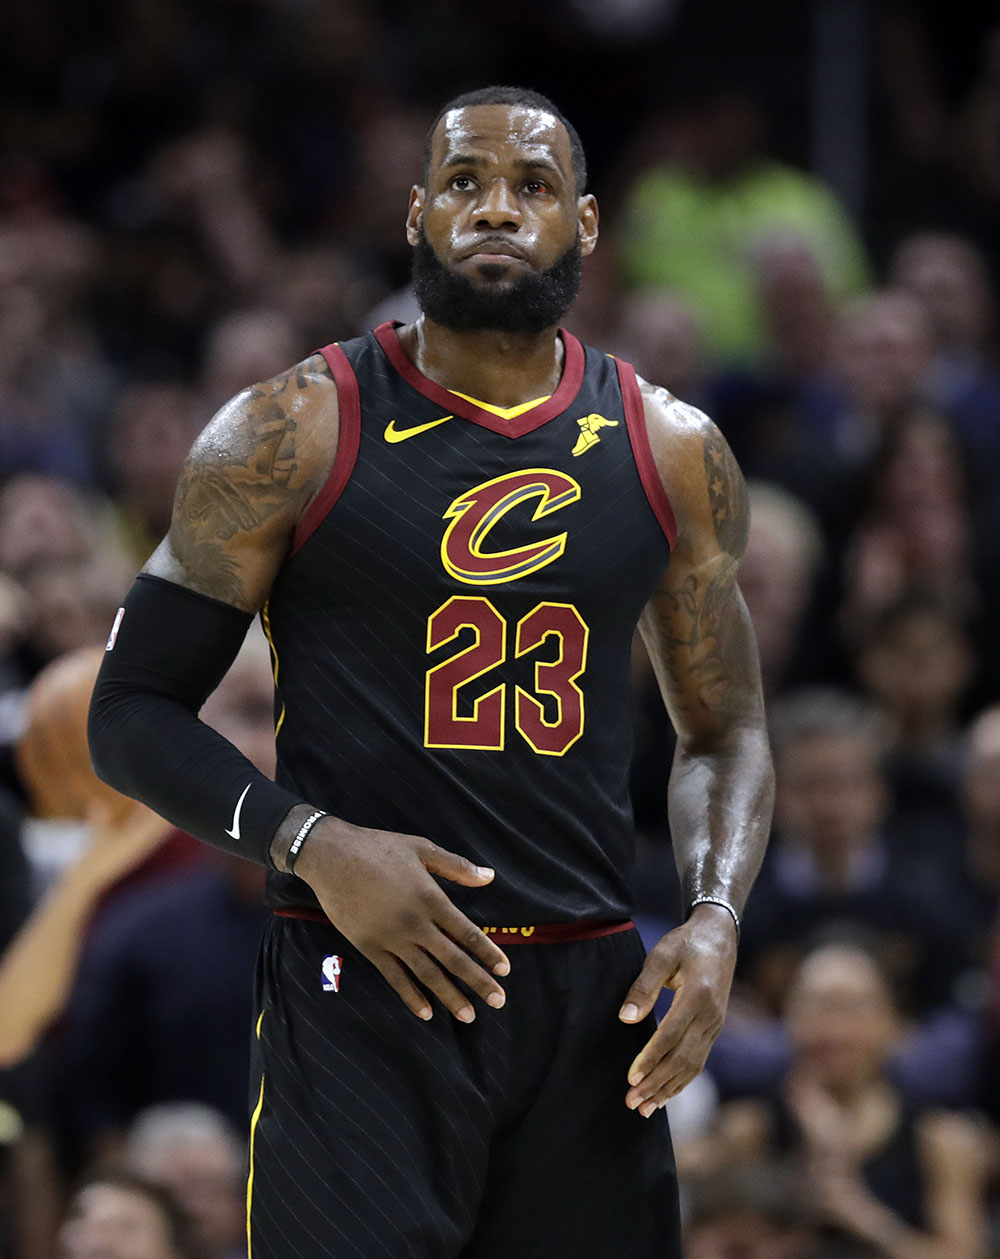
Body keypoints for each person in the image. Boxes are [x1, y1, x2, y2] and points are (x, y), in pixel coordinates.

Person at [89, 85, 774, 1258]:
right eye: (463, 183)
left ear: (588, 224)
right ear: (415, 214)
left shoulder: (670, 445)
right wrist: (313, 842)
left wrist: (712, 918)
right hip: (360, 979)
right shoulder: (289, 426)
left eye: (532, 186)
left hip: (584, 998)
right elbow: (130, 711)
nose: (495, 209)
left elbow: (726, 732)